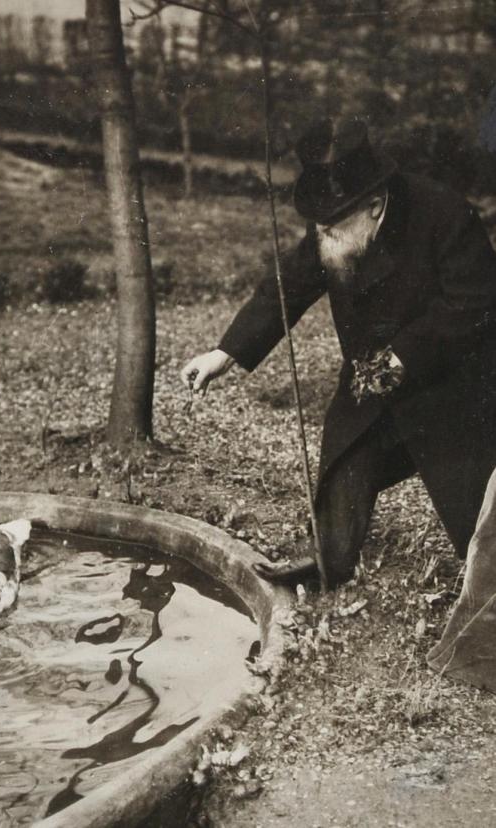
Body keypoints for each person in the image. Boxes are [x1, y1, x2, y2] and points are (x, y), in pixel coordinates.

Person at [181, 117, 496, 588]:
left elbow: (474, 305)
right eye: (317, 225)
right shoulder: (333, 225)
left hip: (453, 387)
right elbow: (286, 289)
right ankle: (330, 566)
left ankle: (486, 601)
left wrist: (403, 356)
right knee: (344, 463)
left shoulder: (446, 215)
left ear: (373, 206)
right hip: (371, 375)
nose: (321, 235)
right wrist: (224, 352)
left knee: (472, 512)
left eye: (330, 226)